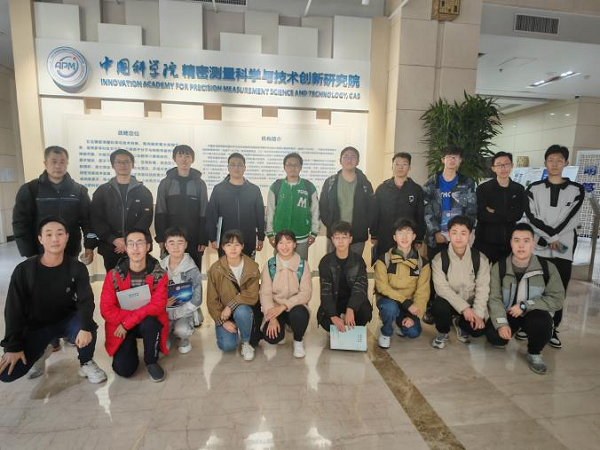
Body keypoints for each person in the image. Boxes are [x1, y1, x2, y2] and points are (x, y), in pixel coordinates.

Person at [0, 218, 106, 384]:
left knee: (88, 326)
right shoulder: (25, 270)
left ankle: (86, 362)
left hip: (67, 321)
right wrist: (13, 346)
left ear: (67, 237)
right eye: (49, 234)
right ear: (40, 239)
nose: (55, 239)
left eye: (60, 234)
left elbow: (86, 301)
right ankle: (41, 352)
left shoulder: (77, 268)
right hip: (36, 327)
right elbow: (13, 309)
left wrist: (85, 327)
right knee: (7, 374)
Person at [524, 145, 584, 349]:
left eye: (559, 160)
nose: (555, 164)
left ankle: (553, 327)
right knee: (535, 285)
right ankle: (528, 324)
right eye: (551, 160)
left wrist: (551, 237)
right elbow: (531, 216)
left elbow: (571, 218)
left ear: (566, 163)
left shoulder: (576, 190)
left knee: (559, 287)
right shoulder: (534, 188)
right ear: (545, 163)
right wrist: (549, 237)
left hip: (563, 247)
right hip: (539, 246)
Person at [486, 223, 565, 374]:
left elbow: (557, 299)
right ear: (511, 243)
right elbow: (494, 298)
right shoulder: (499, 267)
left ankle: (534, 353)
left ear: (533, 243)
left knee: (541, 324)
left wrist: (525, 306)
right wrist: (501, 324)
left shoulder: (547, 268)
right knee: (494, 336)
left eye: (526, 241)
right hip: (509, 312)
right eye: (517, 240)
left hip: (534, 313)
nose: (521, 245)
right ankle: (513, 329)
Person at [100, 228, 169, 382]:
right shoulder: (114, 275)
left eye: (140, 243)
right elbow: (106, 310)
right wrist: (127, 323)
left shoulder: (159, 274)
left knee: (151, 322)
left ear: (148, 246)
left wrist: (128, 322)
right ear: (125, 247)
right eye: (130, 244)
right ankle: (130, 347)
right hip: (121, 324)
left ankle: (151, 361)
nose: (135, 248)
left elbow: (158, 306)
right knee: (124, 369)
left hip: (141, 322)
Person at [12, 146, 96, 262]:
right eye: (54, 161)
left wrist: (89, 247)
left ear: (67, 164)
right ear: (45, 163)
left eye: (62, 162)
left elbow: (88, 223)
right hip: (39, 252)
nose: (58, 166)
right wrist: (29, 252)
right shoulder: (30, 190)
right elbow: (20, 223)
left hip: (70, 251)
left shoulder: (79, 191)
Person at [430, 215, 490, 349]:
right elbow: (442, 289)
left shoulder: (480, 259)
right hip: (450, 303)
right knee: (439, 306)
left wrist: (478, 314)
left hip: (471, 303)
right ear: (449, 234)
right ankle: (443, 332)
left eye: (463, 233)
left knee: (478, 331)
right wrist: (464, 309)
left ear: (470, 235)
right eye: (454, 232)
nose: (458, 237)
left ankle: (459, 322)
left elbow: (483, 288)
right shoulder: (439, 259)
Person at [91, 149, 153, 272]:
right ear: (113, 165)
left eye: (126, 162)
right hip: (111, 247)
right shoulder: (102, 191)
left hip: (137, 247)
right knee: (114, 280)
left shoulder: (143, 191)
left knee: (138, 281)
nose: (123, 165)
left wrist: (128, 241)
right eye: (119, 162)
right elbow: (96, 218)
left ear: (132, 164)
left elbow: (146, 218)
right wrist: (113, 240)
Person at [374, 219, 430, 348]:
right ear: (394, 237)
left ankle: (401, 322)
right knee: (390, 308)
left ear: (414, 236)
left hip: (410, 305)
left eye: (408, 233)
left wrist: (414, 316)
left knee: (413, 332)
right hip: (389, 300)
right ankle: (386, 331)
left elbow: (423, 292)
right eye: (400, 233)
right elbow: (382, 287)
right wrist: (405, 302)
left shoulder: (422, 263)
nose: (404, 237)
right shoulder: (384, 259)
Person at [206, 230, 260, 361]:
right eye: (228, 245)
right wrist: (222, 322)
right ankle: (233, 329)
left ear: (242, 246)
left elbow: (252, 295)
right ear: (223, 247)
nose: (233, 248)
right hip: (224, 314)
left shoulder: (252, 267)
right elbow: (212, 300)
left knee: (242, 311)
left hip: (244, 309)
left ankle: (246, 343)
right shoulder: (215, 269)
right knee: (227, 345)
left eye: (237, 244)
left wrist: (230, 306)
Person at [155, 145, 208, 270]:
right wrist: (161, 238)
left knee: (193, 270)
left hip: (194, 237)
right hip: (171, 237)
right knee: (171, 273)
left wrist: (203, 239)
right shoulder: (166, 183)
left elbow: (204, 211)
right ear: (175, 158)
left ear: (192, 159)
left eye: (187, 156)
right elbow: (160, 211)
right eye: (180, 155)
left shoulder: (199, 183)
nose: (184, 159)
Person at [260, 230, 312, 358]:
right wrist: (271, 318)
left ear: (294, 244)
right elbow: (265, 293)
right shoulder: (270, 265)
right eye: (281, 243)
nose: (285, 246)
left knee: (299, 314)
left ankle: (298, 341)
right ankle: (282, 327)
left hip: (295, 307)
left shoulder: (303, 265)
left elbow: (306, 293)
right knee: (271, 337)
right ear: (276, 245)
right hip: (275, 308)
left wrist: (284, 306)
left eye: (288, 242)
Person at [206, 152, 265, 258]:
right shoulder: (218, 189)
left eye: (240, 165)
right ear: (228, 168)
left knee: (248, 267)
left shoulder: (254, 190)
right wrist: (213, 238)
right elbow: (211, 215)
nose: (236, 168)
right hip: (226, 241)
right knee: (226, 268)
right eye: (233, 165)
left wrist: (261, 237)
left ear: (245, 168)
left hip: (248, 240)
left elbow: (260, 215)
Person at [317, 221, 372, 332]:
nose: (341, 241)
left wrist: (351, 309)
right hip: (335, 301)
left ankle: (349, 322)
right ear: (332, 239)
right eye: (337, 238)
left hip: (351, 300)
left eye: (344, 237)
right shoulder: (325, 261)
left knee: (365, 313)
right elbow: (325, 292)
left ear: (350, 239)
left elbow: (360, 288)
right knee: (326, 320)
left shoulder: (358, 261)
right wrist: (333, 316)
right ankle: (340, 323)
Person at [319, 146, 374, 257]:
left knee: (354, 264)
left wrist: (365, 224)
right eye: (346, 157)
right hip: (335, 233)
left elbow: (371, 207)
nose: (349, 160)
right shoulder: (330, 182)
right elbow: (323, 205)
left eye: (353, 157)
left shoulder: (365, 183)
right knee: (333, 264)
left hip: (357, 233)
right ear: (340, 161)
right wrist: (330, 224)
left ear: (358, 161)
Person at [423, 146, 477, 257]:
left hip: (459, 237)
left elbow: (472, 209)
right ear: (443, 160)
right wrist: (435, 232)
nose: (452, 160)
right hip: (437, 238)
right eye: (449, 157)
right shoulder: (431, 183)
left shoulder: (467, 183)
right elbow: (426, 210)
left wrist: (463, 232)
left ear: (460, 160)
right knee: (436, 266)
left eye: (455, 157)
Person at [371, 152, 425, 262]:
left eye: (404, 164)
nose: (400, 167)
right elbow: (375, 213)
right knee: (384, 265)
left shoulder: (416, 189)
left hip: (407, 238)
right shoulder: (382, 189)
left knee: (406, 267)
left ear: (409, 167)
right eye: (397, 164)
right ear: (392, 166)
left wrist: (419, 238)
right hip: (385, 236)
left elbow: (420, 215)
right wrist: (374, 235)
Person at [266, 152, 320, 261]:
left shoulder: (309, 187)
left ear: (301, 167)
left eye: (296, 165)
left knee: (300, 266)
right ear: (284, 167)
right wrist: (270, 233)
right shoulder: (276, 186)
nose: (292, 168)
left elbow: (315, 212)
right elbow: (270, 211)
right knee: (279, 266)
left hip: (302, 237)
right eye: (289, 165)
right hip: (280, 237)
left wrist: (314, 233)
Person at [475, 151, 525, 264]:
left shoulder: (518, 189)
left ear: (512, 166)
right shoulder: (483, 189)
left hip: (509, 242)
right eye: (499, 165)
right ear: (493, 168)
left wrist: (495, 211)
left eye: (506, 164)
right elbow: (481, 215)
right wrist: (508, 215)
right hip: (485, 242)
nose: (503, 168)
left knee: (506, 272)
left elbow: (517, 215)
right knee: (484, 273)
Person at [160, 227, 203, 355]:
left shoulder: (192, 268)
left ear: (186, 245)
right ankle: (168, 335)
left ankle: (183, 339)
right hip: (164, 310)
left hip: (184, 311)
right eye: (171, 243)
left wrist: (182, 311)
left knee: (182, 330)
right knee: (161, 337)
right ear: (166, 246)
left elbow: (197, 296)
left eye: (180, 243)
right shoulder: (159, 267)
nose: (176, 247)